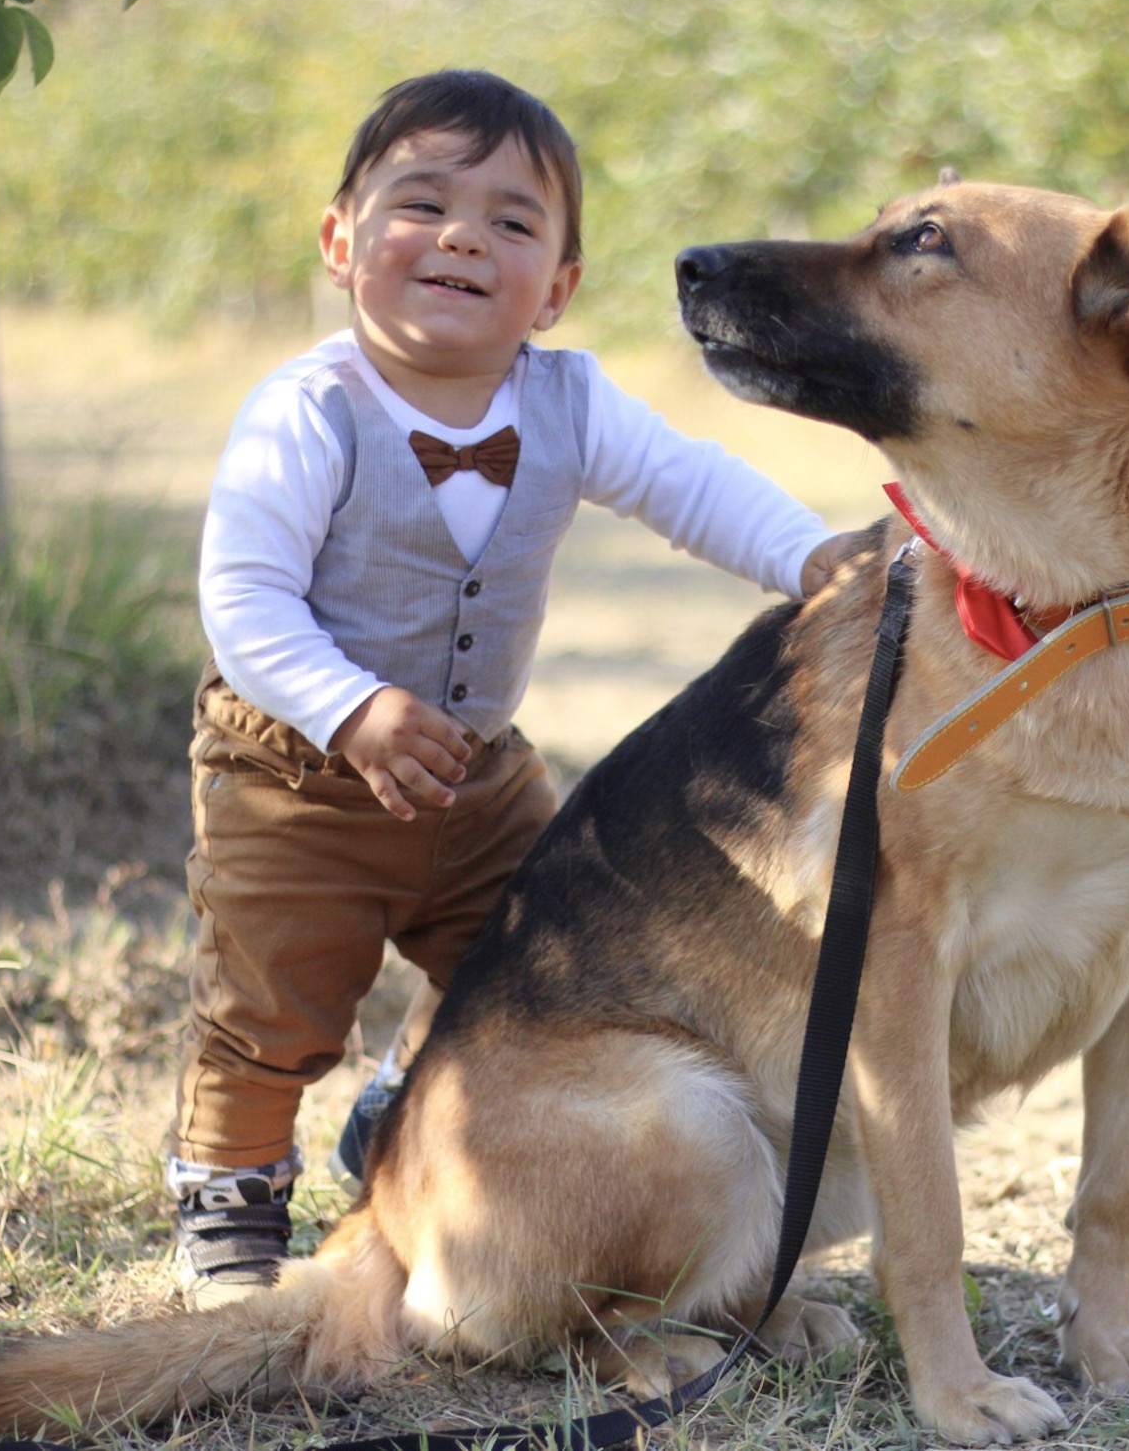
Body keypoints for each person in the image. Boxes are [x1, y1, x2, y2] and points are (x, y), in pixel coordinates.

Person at [169, 68, 857, 1308]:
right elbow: (247, 605)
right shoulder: (306, 413)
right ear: (340, 240)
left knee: (533, 961)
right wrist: (352, 708)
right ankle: (231, 1201)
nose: (462, 236)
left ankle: (414, 1117)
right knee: (272, 1000)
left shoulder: (569, 400)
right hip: (295, 775)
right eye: (420, 202)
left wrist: (809, 557)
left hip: (475, 775)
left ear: (559, 288)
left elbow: (691, 483)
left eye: (512, 221)